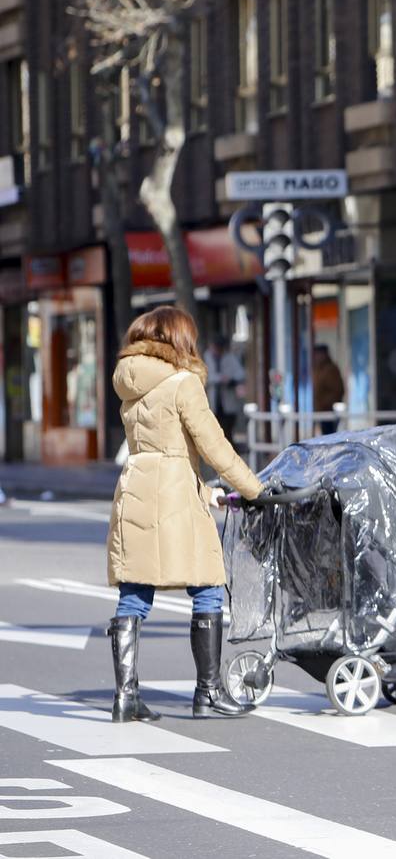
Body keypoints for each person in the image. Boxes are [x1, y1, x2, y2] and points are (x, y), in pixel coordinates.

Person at [107, 307, 264, 723]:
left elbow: (160, 445)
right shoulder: (183, 384)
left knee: (134, 593)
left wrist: (206, 489)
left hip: (137, 486)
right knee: (208, 584)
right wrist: (254, 489)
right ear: (179, 339)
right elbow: (213, 447)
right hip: (175, 494)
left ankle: (126, 697)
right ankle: (207, 691)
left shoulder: (129, 382)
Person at [202, 336, 245, 440]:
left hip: (228, 404)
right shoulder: (207, 357)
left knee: (228, 432)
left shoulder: (229, 358)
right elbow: (205, 376)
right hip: (213, 402)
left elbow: (241, 374)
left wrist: (231, 380)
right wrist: (220, 378)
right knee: (214, 432)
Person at [312, 344, 345, 435]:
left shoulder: (330, 369)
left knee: (329, 436)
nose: (316, 357)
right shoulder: (318, 369)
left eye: (318, 354)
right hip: (320, 410)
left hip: (329, 411)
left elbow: (338, 390)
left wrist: (325, 404)